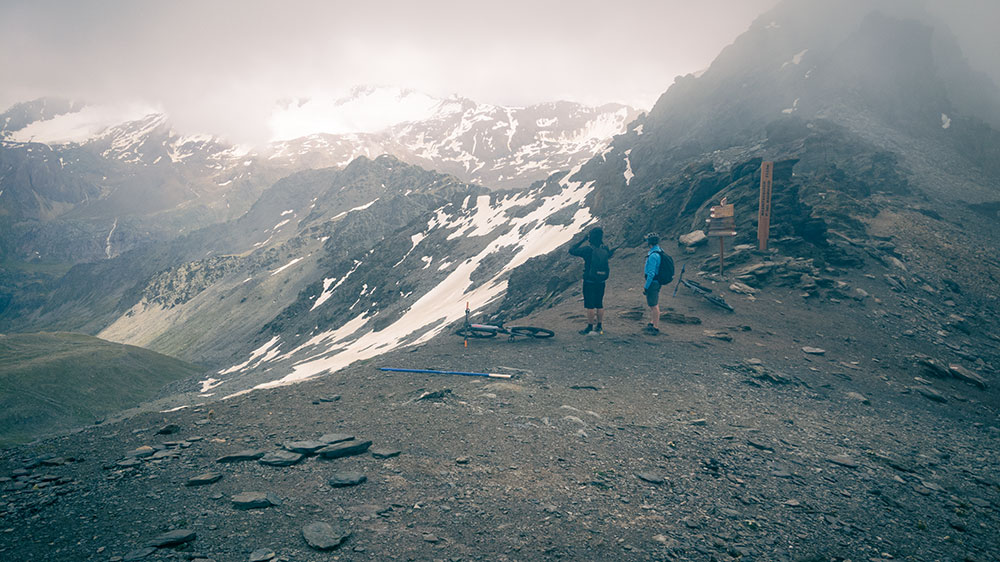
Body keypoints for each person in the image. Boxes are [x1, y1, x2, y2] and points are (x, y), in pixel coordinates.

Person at [569, 227, 611, 334]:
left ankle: (589, 327)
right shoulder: (605, 249)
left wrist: (583, 239)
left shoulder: (588, 250)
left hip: (589, 280)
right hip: (601, 280)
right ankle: (600, 326)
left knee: (590, 305)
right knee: (599, 304)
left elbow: (572, 250)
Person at [643, 233, 665, 335]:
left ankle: (655, 327)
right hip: (657, 282)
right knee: (653, 303)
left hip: (653, 283)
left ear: (649, 243)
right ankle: (652, 322)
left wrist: (646, 286)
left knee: (654, 305)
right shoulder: (659, 251)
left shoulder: (653, 255)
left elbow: (651, 273)